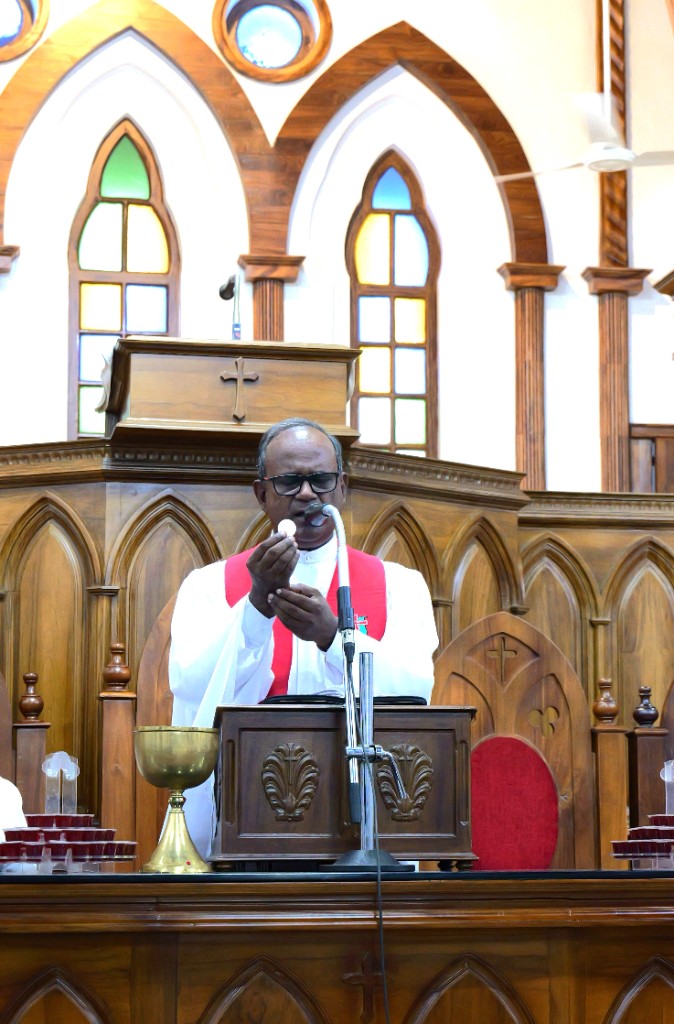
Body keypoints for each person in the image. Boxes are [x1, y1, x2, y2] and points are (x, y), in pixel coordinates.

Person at [169, 418, 439, 855]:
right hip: (247, 823)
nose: (308, 494)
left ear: (342, 487)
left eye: (321, 480)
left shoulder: (399, 585)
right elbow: (195, 693)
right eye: (290, 482)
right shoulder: (208, 585)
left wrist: (334, 636)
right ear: (262, 494)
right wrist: (256, 605)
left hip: (363, 824)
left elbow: (415, 692)